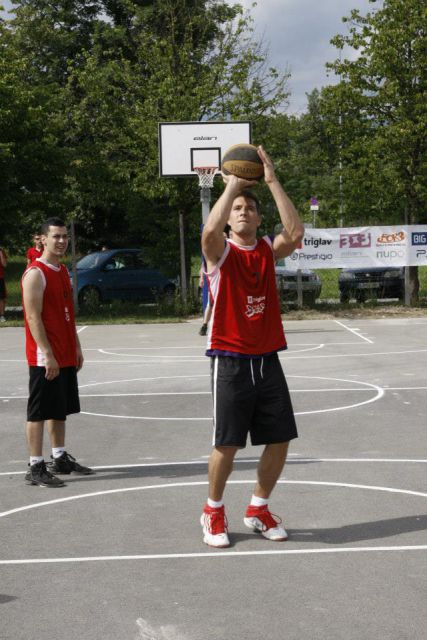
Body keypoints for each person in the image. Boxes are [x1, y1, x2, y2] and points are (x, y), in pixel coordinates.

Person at [200, 145, 304, 547]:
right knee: (227, 442)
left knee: (280, 438)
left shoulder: (265, 250)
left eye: (249, 208)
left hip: (267, 359)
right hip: (229, 359)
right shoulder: (220, 253)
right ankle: (212, 510)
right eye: (237, 209)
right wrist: (232, 187)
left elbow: (294, 233)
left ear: (259, 218)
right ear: (229, 219)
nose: (243, 211)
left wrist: (272, 180)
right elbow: (210, 232)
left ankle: (258, 508)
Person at [22, 217, 94, 487]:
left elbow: (67, 314)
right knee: (38, 412)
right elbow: (33, 317)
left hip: (64, 352)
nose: (62, 241)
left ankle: (59, 457)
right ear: (43, 239)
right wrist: (48, 354)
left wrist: (75, 346)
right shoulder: (35, 273)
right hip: (45, 356)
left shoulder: (62, 271)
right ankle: (35, 465)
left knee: (59, 409)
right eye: (56, 237)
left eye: (65, 236)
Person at [0, 244, 7, 322]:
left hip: (0, 277)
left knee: (1, 298)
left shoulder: (1, 251)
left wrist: (1, 253)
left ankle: (2, 315)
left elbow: (4, 264)